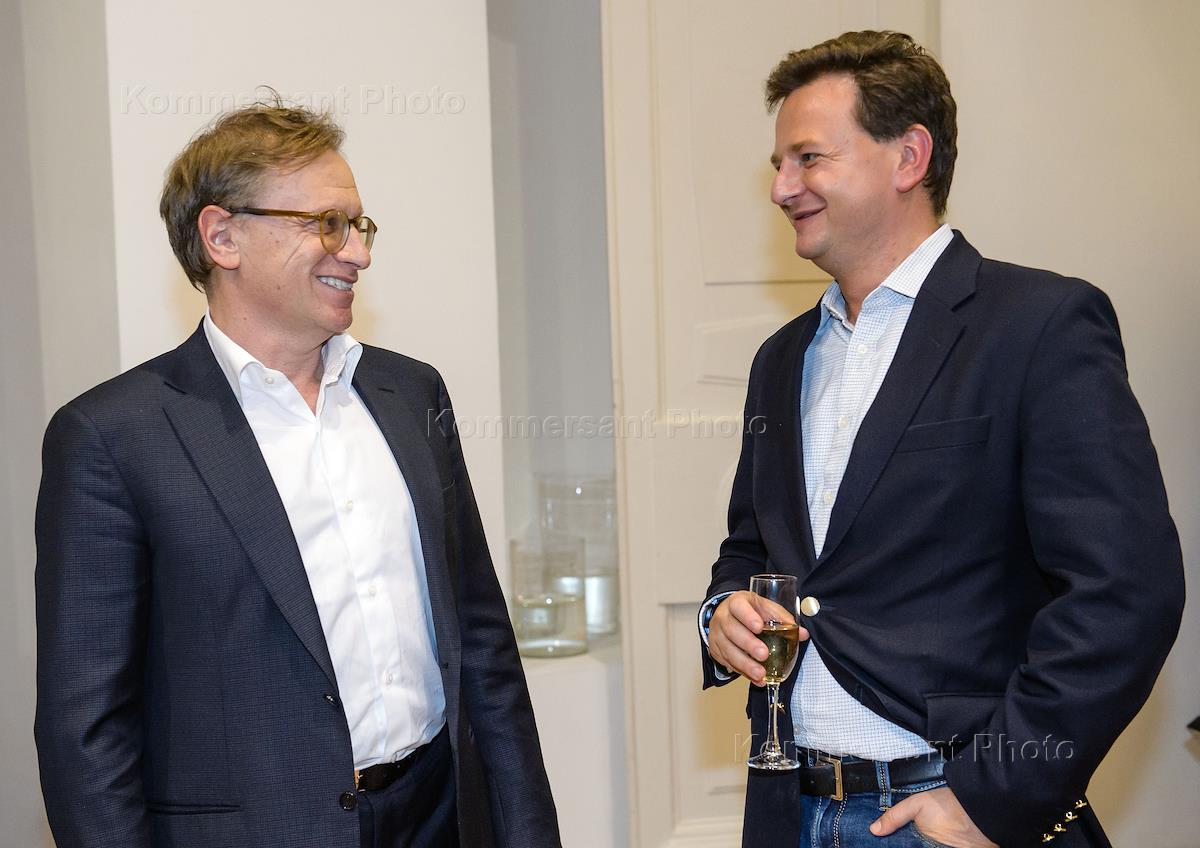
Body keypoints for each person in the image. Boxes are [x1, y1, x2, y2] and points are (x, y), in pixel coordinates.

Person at [699, 31, 1183, 848]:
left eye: (809, 158)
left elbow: (1126, 592)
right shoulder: (780, 359)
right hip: (786, 809)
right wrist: (724, 614)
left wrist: (993, 797)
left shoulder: (1039, 326)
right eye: (779, 165)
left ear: (909, 157)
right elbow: (752, 546)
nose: (781, 188)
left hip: (946, 816)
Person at [35, 97, 561, 848]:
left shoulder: (412, 394)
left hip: (439, 815)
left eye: (359, 225)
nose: (358, 253)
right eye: (326, 224)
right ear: (223, 236)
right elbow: (86, 726)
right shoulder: (113, 436)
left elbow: (482, 642)